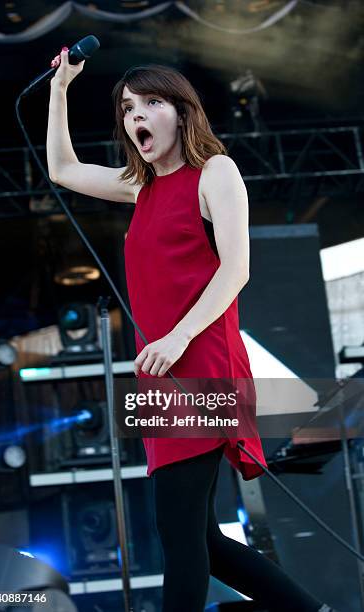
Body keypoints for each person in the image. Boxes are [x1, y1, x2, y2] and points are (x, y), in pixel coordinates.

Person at [47, 48, 336, 612]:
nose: (137, 116)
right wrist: (60, 89)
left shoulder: (216, 172)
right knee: (201, 539)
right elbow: (62, 169)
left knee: (179, 539)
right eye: (128, 107)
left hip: (201, 362)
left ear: (181, 112)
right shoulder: (142, 188)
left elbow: (237, 268)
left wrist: (179, 336)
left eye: (151, 103)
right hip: (160, 374)